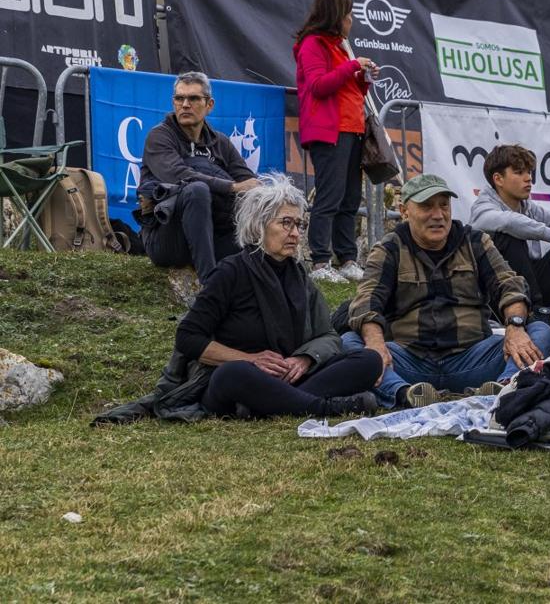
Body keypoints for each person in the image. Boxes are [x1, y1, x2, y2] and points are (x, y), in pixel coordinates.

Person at [173, 173, 382, 418]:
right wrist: (251, 360)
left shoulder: (299, 276)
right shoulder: (231, 272)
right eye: (286, 223)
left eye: (299, 225)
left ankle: (275, 405)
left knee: (369, 360)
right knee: (231, 374)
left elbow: (328, 335)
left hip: (288, 376)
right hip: (243, 380)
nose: (295, 233)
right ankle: (321, 408)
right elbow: (188, 337)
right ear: (258, 224)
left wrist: (304, 360)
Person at [342, 174, 550, 409]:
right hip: (409, 362)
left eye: (444, 205)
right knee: (349, 342)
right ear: (404, 211)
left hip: (473, 359)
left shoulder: (474, 241)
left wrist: (515, 327)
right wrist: (375, 344)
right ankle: (403, 394)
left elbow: (510, 285)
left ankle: (504, 387)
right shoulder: (389, 248)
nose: (438, 215)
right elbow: (366, 302)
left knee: (541, 332)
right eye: (426, 206)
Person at [138, 71, 260, 283]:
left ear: (209, 104)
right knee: (196, 189)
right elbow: (178, 174)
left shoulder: (220, 142)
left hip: (213, 236)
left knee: (256, 234)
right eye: (179, 98)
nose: (185, 104)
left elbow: (248, 182)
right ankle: (208, 284)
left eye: (193, 98)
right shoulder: (159, 136)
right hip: (167, 239)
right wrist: (230, 187)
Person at [293, 0, 379, 284]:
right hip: (329, 131)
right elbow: (318, 86)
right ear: (336, 17)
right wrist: (353, 66)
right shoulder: (312, 44)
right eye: (348, 15)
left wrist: (362, 79)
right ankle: (320, 262)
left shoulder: (339, 47)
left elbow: (348, 90)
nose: (351, 20)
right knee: (329, 195)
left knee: (350, 197)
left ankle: (347, 259)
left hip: (352, 129)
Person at [467, 144, 550, 314]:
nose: (528, 179)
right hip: (495, 291)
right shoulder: (482, 207)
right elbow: (509, 222)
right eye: (519, 173)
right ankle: (534, 312)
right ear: (498, 179)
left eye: (529, 172)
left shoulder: (526, 206)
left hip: (530, 283)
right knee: (509, 237)